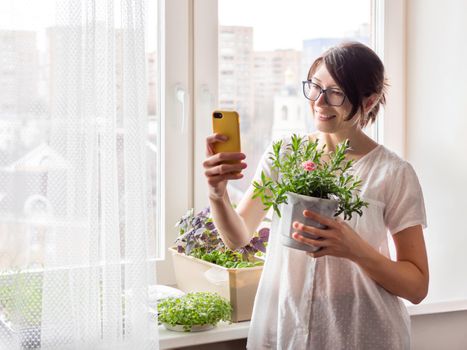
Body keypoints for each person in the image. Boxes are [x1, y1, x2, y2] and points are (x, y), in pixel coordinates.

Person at [203, 42, 428, 350]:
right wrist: (217, 195)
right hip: (291, 328)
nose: (320, 102)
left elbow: (416, 286)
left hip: (365, 332)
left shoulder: (392, 173)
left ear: (369, 100)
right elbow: (239, 237)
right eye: (316, 87)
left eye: (336, 93)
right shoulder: (285, 153)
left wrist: (355, 249)